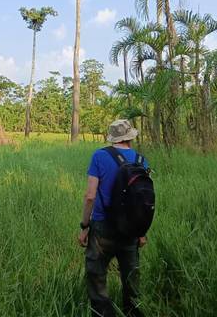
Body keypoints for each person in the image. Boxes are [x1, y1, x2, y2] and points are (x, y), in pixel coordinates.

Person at [78, 119, 149, 317]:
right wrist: (141, 233)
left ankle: (102, 313)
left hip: (102, 226)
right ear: (130, 138)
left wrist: (84, 226)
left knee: (96, 275)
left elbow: (90, 196)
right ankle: (133, 313)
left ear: (112, 138)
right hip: (131, 229)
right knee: (131, 278)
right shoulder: (142, 161)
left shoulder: (99, 156)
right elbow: (144, 201)